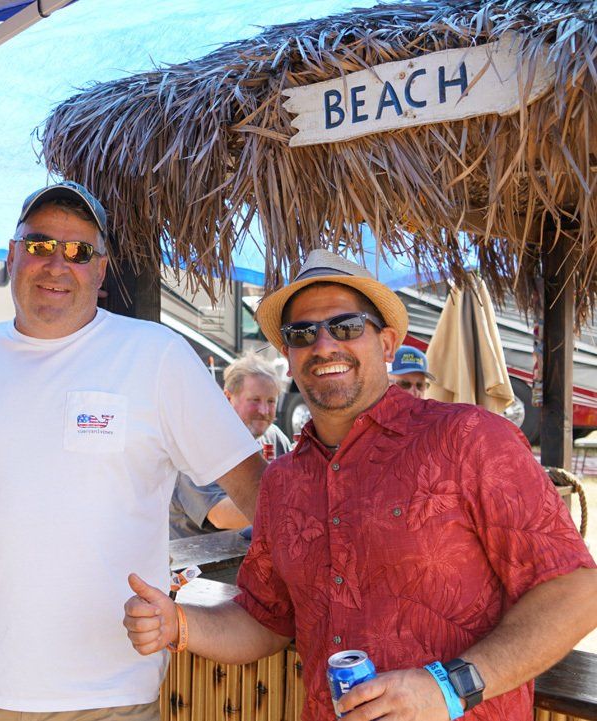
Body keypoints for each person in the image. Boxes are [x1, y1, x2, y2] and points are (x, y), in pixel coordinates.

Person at [123, 249, 597, 721]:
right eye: (302, 334)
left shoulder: (470, 439)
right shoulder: (284, 481)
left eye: (346, 326)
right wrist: (179, 623)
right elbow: (264, 619)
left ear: (388, 343)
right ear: (289, 356)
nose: (324, 345)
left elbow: (576, 591)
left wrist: (449, 688)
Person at [0, 181, 266, 721]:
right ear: (12, 253)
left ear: (101, 267)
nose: (56, 264)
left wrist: (290, 603)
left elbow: (258, 492)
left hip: (108, 695)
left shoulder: (156, 357)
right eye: (40, 245)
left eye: (79, 251)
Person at [169, 354, 292, 538]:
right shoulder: (201, 441)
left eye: (271, 401)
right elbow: (220, 515)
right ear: (227, 398)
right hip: (202, 562)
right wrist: (294, 506)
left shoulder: (274, 437)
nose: (264, 411)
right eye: (255, 400)